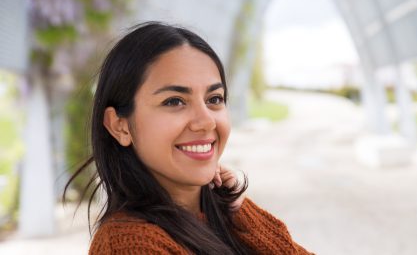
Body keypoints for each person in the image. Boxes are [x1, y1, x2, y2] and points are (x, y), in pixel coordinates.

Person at [64, 21, 313, 254]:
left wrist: (240, 212)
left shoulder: (222, 217)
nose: (206, 121)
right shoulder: (130, 244)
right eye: (174, 101)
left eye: (214, 99)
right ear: (120, 126)